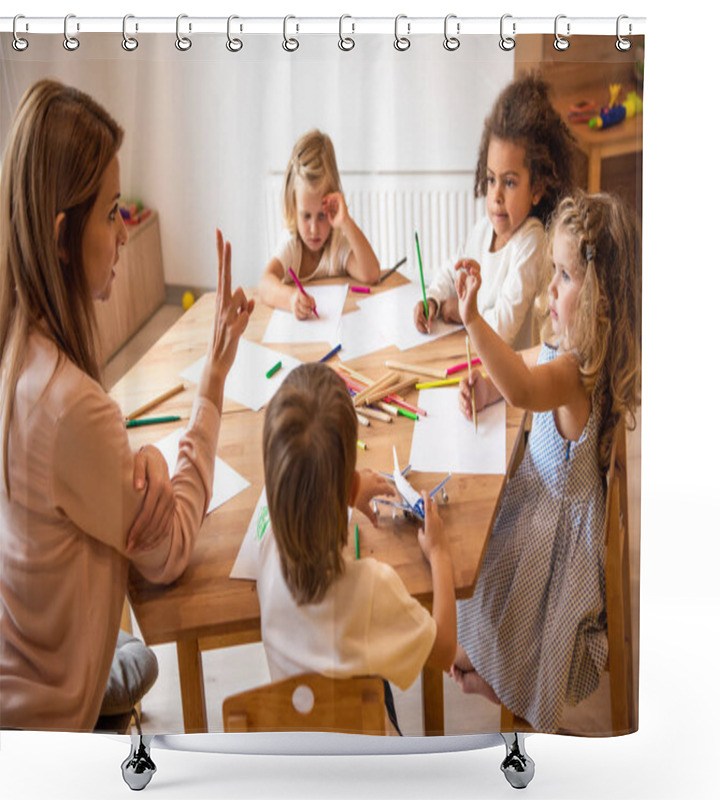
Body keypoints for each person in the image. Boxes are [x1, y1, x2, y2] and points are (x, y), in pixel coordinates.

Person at [0, 79, 254, 731]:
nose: (122, 232)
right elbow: (167, 551)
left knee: (134, 659)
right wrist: (212, 384)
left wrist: (139, 465)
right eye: (113, 212)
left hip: (23, 652)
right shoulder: (70, 406)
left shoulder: (18, 349)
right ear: (63, 234)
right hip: (46, 713)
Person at [451, 191, 642, 733]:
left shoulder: (574, 373)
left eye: (563, 276)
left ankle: (506, 683)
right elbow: (519, 369)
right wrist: (486, 388)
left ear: (600, 296)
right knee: (478, 581)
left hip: (554, 538)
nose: (551, 290)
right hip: (547, 508)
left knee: (475, 566)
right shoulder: (578, 350)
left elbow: (524, 387)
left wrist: (473, 322)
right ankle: (490, 665)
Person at [257, 363, 456, 733]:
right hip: (369, 773)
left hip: (295, 761)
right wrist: (441, 555)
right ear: (349, 486)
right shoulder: (372, 589)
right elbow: (444, 649)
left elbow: (306, 511)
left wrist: (346, 497)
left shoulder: (267, 551)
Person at [414, 72, 576, 351]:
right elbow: (449, 272)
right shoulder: (482, 231)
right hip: (484, 363)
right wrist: (434, 301)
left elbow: (501, 330)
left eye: (510, 182)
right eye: (491, 179)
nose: (497, 196)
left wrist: (464, 314)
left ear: (536, 188)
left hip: (517, 379)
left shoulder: (531, 242)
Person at [258, 130, 380, 318]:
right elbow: (265, 284)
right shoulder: (292, 244)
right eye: (306, 216)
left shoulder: (336, 244)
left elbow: (371, 274)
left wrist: (345, 222)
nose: (314, 229)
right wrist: (291, 299)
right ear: (293, 206)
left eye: (322, 216)